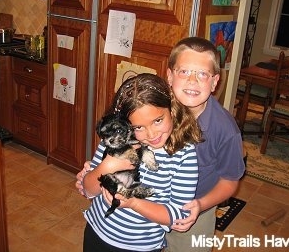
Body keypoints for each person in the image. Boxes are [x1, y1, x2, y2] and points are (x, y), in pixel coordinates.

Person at [76, 73, 203, 252]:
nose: (151, 135)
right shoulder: (115, 140)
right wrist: (106, 167)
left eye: (158, 121)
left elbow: (178, 215)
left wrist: (134, 203)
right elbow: (88, 190)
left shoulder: (183, 155)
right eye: (138, 128)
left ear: (172, 110)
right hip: (96, 233)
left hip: (141, 247)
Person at [165, 36, 245, 252]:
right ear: (170, 76)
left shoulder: (226, 130)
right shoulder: (155, 108)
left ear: (214, 82)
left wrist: (201, 205)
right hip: (153, 201)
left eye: (202, 74)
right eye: (184, 72)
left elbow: (230, 181)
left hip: (193, 210)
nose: (193, 81)